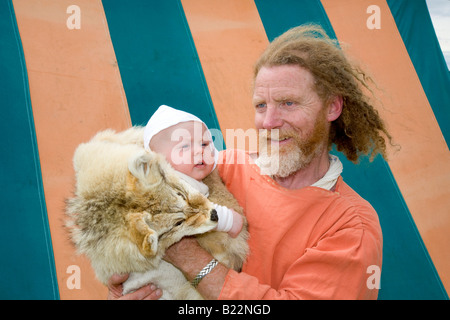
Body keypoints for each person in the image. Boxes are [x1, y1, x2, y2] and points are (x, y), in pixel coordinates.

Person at [107, 24, 393, 300]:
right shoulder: (222, 168)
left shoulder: (350, 225)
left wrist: (184, 253)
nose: (268, 122)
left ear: (332, 106)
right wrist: (128, 289)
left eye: (288, 103)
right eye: (261, 105)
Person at [143, 105, 244, 238]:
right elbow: (188, 208)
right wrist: (228, 220)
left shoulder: (201, 178)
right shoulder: (166, 183)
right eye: (184, 146)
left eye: (204, 144)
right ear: (159, 159)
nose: (199, 151)